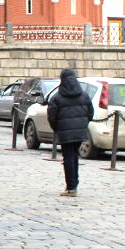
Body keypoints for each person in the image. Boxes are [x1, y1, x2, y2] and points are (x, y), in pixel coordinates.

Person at [47, 68, 94, 197]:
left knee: (68, 158)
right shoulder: (84, 95)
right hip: (80, 131)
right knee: (74, 157)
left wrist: (57, 128)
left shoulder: (57, 97)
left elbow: (51, 116)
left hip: (64, 132)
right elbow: (90, 113)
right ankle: (73, 185)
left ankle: (71, 187)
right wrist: (83, 124)